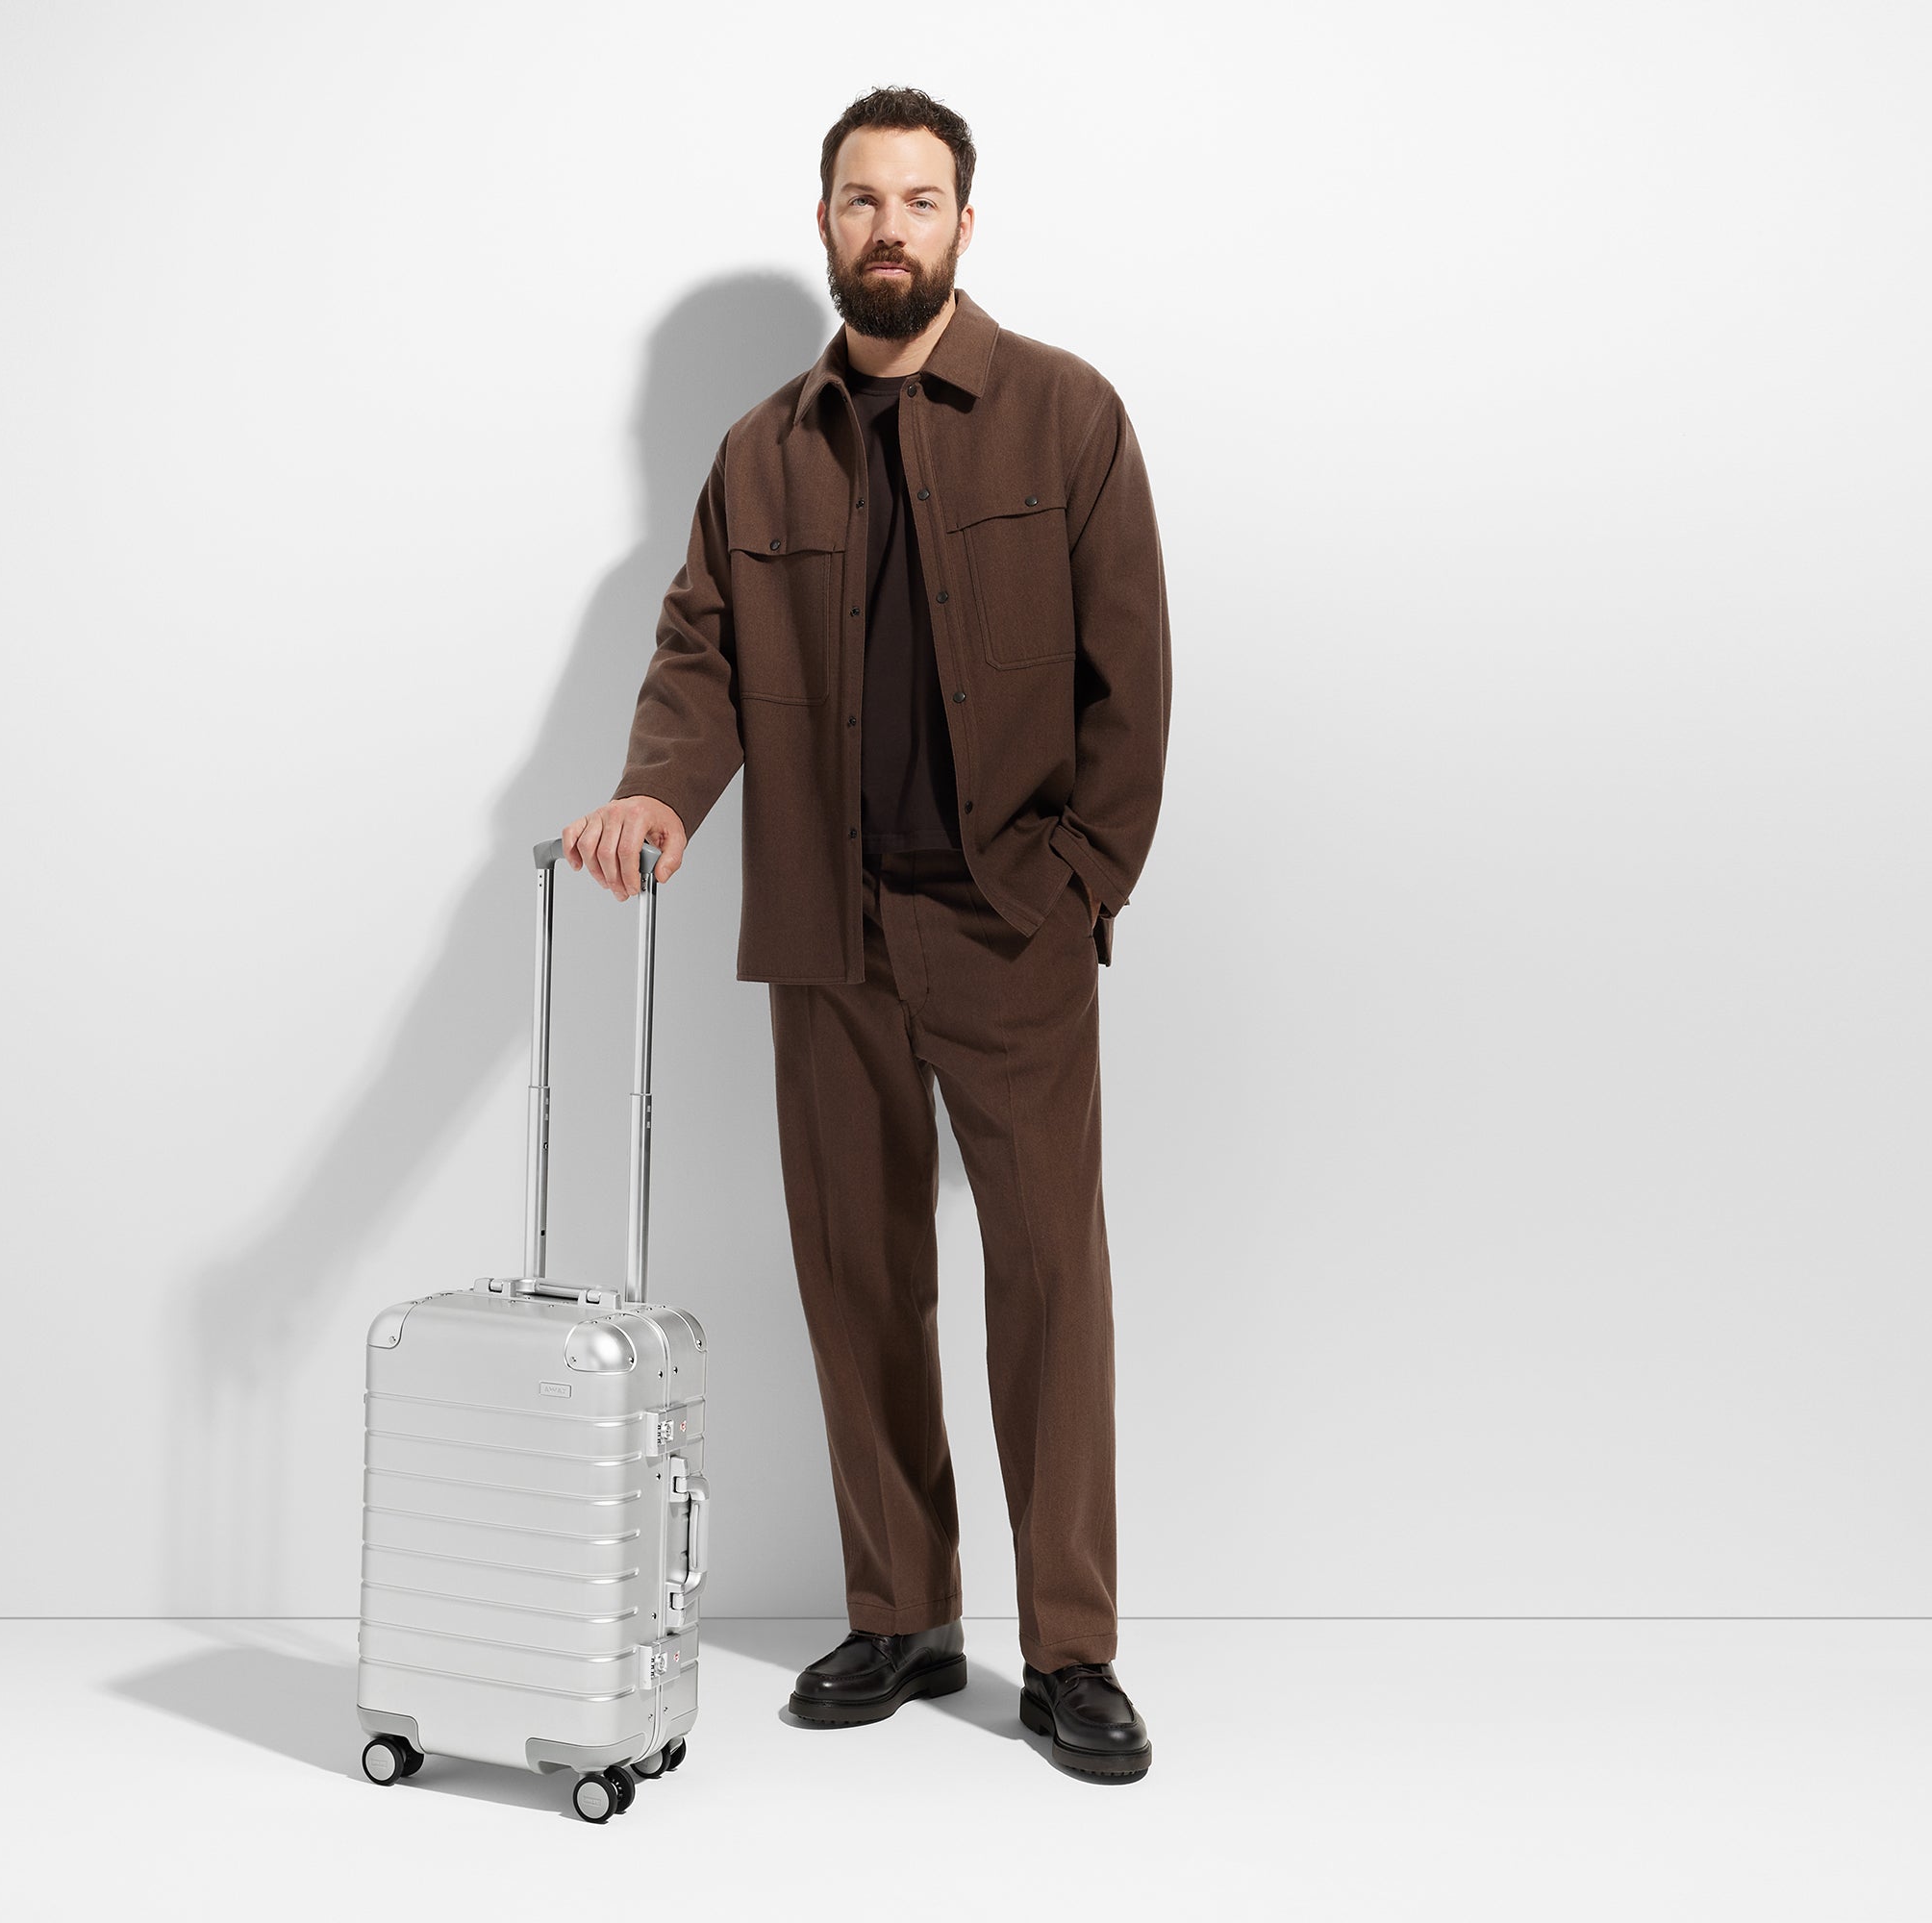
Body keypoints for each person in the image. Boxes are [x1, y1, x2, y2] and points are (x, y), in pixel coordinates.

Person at [563, 85, 1170, 1782]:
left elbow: (1132, 681)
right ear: (824, 222)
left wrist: (1078, 886)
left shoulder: (1068, 416)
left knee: (1049, 1285)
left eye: (918, 200)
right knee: (859, 1280)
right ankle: (903, 1615)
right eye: (859, 199)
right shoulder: (760, 451)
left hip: (1009, 927)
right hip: (826, 931)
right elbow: (700, 653)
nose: (887, 227)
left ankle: (1071, 1651)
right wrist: (658, 795)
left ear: (966, 224)